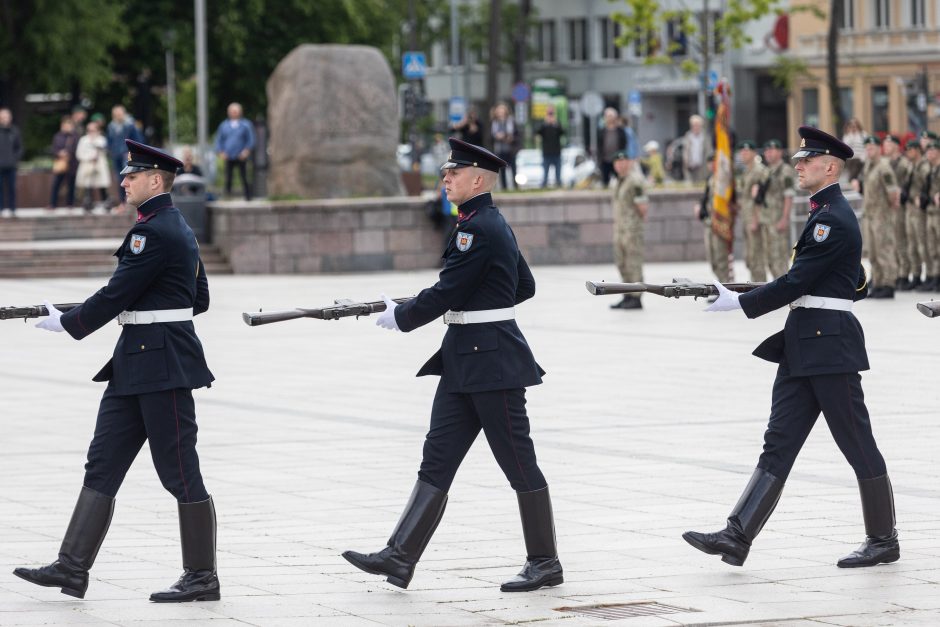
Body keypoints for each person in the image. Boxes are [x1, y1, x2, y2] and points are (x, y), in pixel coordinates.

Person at [342, 138, 563, 593]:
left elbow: (448, 291)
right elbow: (522, 286)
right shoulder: (487, 223)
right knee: (437, 457)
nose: (445, 179)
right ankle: (400, 556)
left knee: (518, 462)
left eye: (454, 173)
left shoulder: (478, 228)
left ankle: (545, 562)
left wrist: (402, 316)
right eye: (446, 173)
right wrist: (480, 304)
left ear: (477, 179)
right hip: (466, 359)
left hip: (493, 363)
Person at [683, 126, 898, 570]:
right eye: (798, 160)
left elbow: (799, 281)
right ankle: (736, 535)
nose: (798, 165)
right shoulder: (825, 214)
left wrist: (741, 302)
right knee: (778, 441)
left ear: (831, 167)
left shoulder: (832, 218)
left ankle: (883, 539)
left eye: (807, 160)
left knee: (856, 441)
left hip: (829, 346)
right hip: (805, 343)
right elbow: (841, 279)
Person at [14, 140, 219, 603]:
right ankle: (72, 568)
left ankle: (202, 576)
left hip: (163, 366)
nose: (123, 180)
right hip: (136, 363)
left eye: (132, 175)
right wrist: (150, 304)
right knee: (103, 461)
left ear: (155, 180)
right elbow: (197, 297)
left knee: (179, 470)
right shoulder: (174, 227)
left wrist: (68, 322)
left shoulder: (155, 232)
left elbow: (118, 292)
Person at [852, 136, 900, 298]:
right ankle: (878, 282)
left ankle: (888, 283)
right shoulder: (868, 167)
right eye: (867, 148)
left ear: (879, 149)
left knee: (884, 249)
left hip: (882, 216)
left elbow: (893, 192)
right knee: (872, 251)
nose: (869, 150)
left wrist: (888, 211)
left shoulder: (883, 167)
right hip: (870, 215)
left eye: (872, 147)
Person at [608, 150, 649, 310]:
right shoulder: (618, 181)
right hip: (620, 229)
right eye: (617, 162)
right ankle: (627, 294)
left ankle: (636, 297)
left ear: (629, 162)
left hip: (632, 230)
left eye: (623, 161)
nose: (619, 164)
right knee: (621, 263)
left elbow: (643, 207)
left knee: (633, 263)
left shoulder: (635, 181)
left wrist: (635, 225)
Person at [755, 139, 796, 281]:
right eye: (766, 150)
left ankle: (784, 290)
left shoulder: (785, 170)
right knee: (770, 259)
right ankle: (777, 290)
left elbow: (789, 195)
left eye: (771, 150)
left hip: (778, 220)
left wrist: (785, 218)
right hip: (766, 220)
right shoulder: (766, 172)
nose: (768, 153)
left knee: (779, 258)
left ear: (779, 152)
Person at [735, 140, 769, 282]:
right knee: (749, 257)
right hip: (746, 218)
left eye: (746, 151)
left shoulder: (759, 171)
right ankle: (755, 287)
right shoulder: (745, 171)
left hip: (755, 219)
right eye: (741, 151)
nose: (743, 153)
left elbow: (760, 198)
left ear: (754, 153)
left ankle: (760, 288)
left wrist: (756, 219)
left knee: (756, 257)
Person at [695, 154, 732, 284]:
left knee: (721, 257)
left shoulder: (723, 179)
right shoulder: (711, 178)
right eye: (709, 162)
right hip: (709, 223)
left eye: (714, 162)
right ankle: (721, 286)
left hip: (719, 223)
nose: (711, 165)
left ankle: (726, 287)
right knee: (712, 258)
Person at [884, 135, 913, 290]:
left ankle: (904, 274)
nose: (885, 147)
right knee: (891, 241)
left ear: (896, 145)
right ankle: (894, 273)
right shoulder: (885, 163)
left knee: (901, 240)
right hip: (888, 208)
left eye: (888, 144)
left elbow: (910, 182)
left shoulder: (904, 163)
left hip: (901, 206)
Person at [214, 102, 255, 200]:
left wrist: (246, 151)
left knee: (244, 176)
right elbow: (219, 140)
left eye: (236, 111)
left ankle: (248, 196)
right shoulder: (224, 125)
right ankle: (227, 196)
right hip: (228, 155)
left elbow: (251, 139)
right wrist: (221, 152)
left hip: (241, 155)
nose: (234, 113)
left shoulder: (246, 125)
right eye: (232, 111)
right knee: (228, 177)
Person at [107, 105, 143, 212]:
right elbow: (109, 140)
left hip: (127, 155)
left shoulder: (130, 125)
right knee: (120, 179)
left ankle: (132, 200)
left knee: (129, 177)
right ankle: (123, 202)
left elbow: (138, 140)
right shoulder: (111, 126)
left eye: (119, 114)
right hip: (116, 155)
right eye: (116, 114)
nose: (118, 116)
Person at [916, 139, 940, 292]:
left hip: (938, 213)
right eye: (928, 151)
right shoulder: (932, 169)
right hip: (931, 211)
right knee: (932, 247)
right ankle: (934, 276)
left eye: (933, 151)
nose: (929, 153)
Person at [903, 141, 927, 290]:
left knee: (922, 244)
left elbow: (928, 185)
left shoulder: (924, 167)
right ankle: (916, 275)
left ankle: (931, 275)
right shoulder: (911, 166)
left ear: (918, 150)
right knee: (911, 244)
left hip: (920, 209)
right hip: (910, 208)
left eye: (910, 149)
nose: (908, 152)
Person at [74, 120, 111, 212]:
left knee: (102, 184)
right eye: (89, 130)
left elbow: (105, 150)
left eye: (93, 130)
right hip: (87, 165)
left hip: (99, 165)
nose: (91, 132)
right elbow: (79, 154)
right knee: (87, 185)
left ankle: (106, 202)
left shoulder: (102, 139)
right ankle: (88, 203)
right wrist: (89, 157)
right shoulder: (83, 140)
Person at [597, 107, 635, 187]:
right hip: (605, 160)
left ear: (615, 117)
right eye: (608, 116)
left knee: (621, 182)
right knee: (605, 182)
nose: (610, 118)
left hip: (618, 160)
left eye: (612, 116)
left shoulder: (621, 131)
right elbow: (599, 145)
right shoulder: (601, 131)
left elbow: (625, 144)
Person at [49, 116, 79, 210]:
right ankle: (52, 204)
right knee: (56, 184)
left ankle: (70, 204)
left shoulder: (75, 136)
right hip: (61, 163)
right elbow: (53, 149)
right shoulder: (57, 136)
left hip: (72, 164)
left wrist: (68, 152)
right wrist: (59, 153)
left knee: (71, 185)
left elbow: (77, 148)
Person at [0, 107, 23, 216]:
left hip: (11, 165)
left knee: (12, 188)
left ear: (10, 118)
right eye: (2, 117)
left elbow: (19, 147)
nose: (5, 119)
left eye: (7, 116)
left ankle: (12, 209)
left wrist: (15, 158)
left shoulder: (15, 130)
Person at [536, 107, 565, 188]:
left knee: (558, 171)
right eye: (549, 113)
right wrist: (545, 123)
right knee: (545, 171)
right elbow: (539, 132)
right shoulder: (543, 125)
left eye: (551, 113)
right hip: (546, 152)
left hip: (557, 152)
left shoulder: (557, 124)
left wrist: (555, 124)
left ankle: (559, 183)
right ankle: (544, 184)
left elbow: (562, 132)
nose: (550, 115)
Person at [491, 103, 517, 190]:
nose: (500, 112)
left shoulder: (511, 121)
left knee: (513, 168)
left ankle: (515, 186)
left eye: (502, 110)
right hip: (500, 149)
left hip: (510, 149)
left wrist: (508, 137)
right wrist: (497, 136)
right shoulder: (494, 122)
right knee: (502, 170)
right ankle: (504, 187)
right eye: (499, 111)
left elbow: (515, 134)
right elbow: (492, 136)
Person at [681, 114, 709, 183]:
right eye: (694, 125)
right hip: (690, 168)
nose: (696, 127)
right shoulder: (688, 136)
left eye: (697, 125)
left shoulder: (705, 137)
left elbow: (708, 152)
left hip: (701, 168)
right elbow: (685, 152)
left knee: (701, 186)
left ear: (701, 126)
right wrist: (687, 162)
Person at [841, 118, 867, 182]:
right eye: (851, 126)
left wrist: (864, 157)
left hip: (861, 158)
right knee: (854, 175)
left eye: (855, 125)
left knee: (855, 176)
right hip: (851, 159)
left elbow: (866, 146)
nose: (853, 127)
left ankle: (853, 182)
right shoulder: (847, 135)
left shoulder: (863, 134)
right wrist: (851, 134)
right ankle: (854, 183)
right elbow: (846, 145)